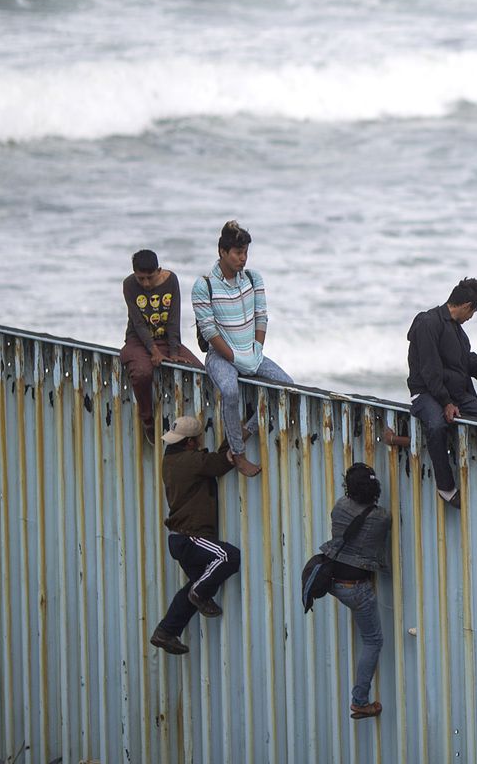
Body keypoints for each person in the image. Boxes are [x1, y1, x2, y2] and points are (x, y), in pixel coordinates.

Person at [190, 220, 292, 477]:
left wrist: (256, 350)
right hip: (220, 356)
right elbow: (209, 331)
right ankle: (237, 452)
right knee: (230, 390)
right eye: (238, 253)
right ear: (222, 252)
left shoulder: (253, 278)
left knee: (288, 388)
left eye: (245, 252)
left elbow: (261, 316)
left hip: (251, 353)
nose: (243, 258)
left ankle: (245, 430)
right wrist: (235, 358)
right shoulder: (204, 286)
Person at [149, 415, 240, 655]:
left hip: (179, 539)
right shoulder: (192, 461)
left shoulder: (169, 461)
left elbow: (210, 462)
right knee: (228, 557)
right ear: (190, 442)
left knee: (198, 584)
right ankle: (199, 593)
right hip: (191, 537)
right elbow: (219, 464)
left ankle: (166, 631)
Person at [405, 278, 477, 509]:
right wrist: (446, 402)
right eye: (473, 312)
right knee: (437, 425)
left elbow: (468, 363)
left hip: (456, 395)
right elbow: (430, 370)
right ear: (466, 306)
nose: (471, 317)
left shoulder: (459, 333)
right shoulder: (428, 323)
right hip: (426, 393)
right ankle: (445, 486)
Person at [324, 463, 393, 720]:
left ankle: (360, 700)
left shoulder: (340, 506)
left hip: (333, 581)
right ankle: (360, 701)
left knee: (367, 633)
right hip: (357, 589)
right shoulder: (381, 517)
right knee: (373, 641)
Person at [119, 248, 203, 430]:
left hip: (166, 340)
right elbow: (138, 323)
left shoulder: (171, 280)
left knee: (200, 372)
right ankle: (148, 420)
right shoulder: (129, 285)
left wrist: (174, 353)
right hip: (138, 341)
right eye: (141, 278)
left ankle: (190, 426)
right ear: (134, 274)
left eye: (150, 277)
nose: (146, 283)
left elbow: (174, 318)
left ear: (159, 270)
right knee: (142, 373)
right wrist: (154, 352)